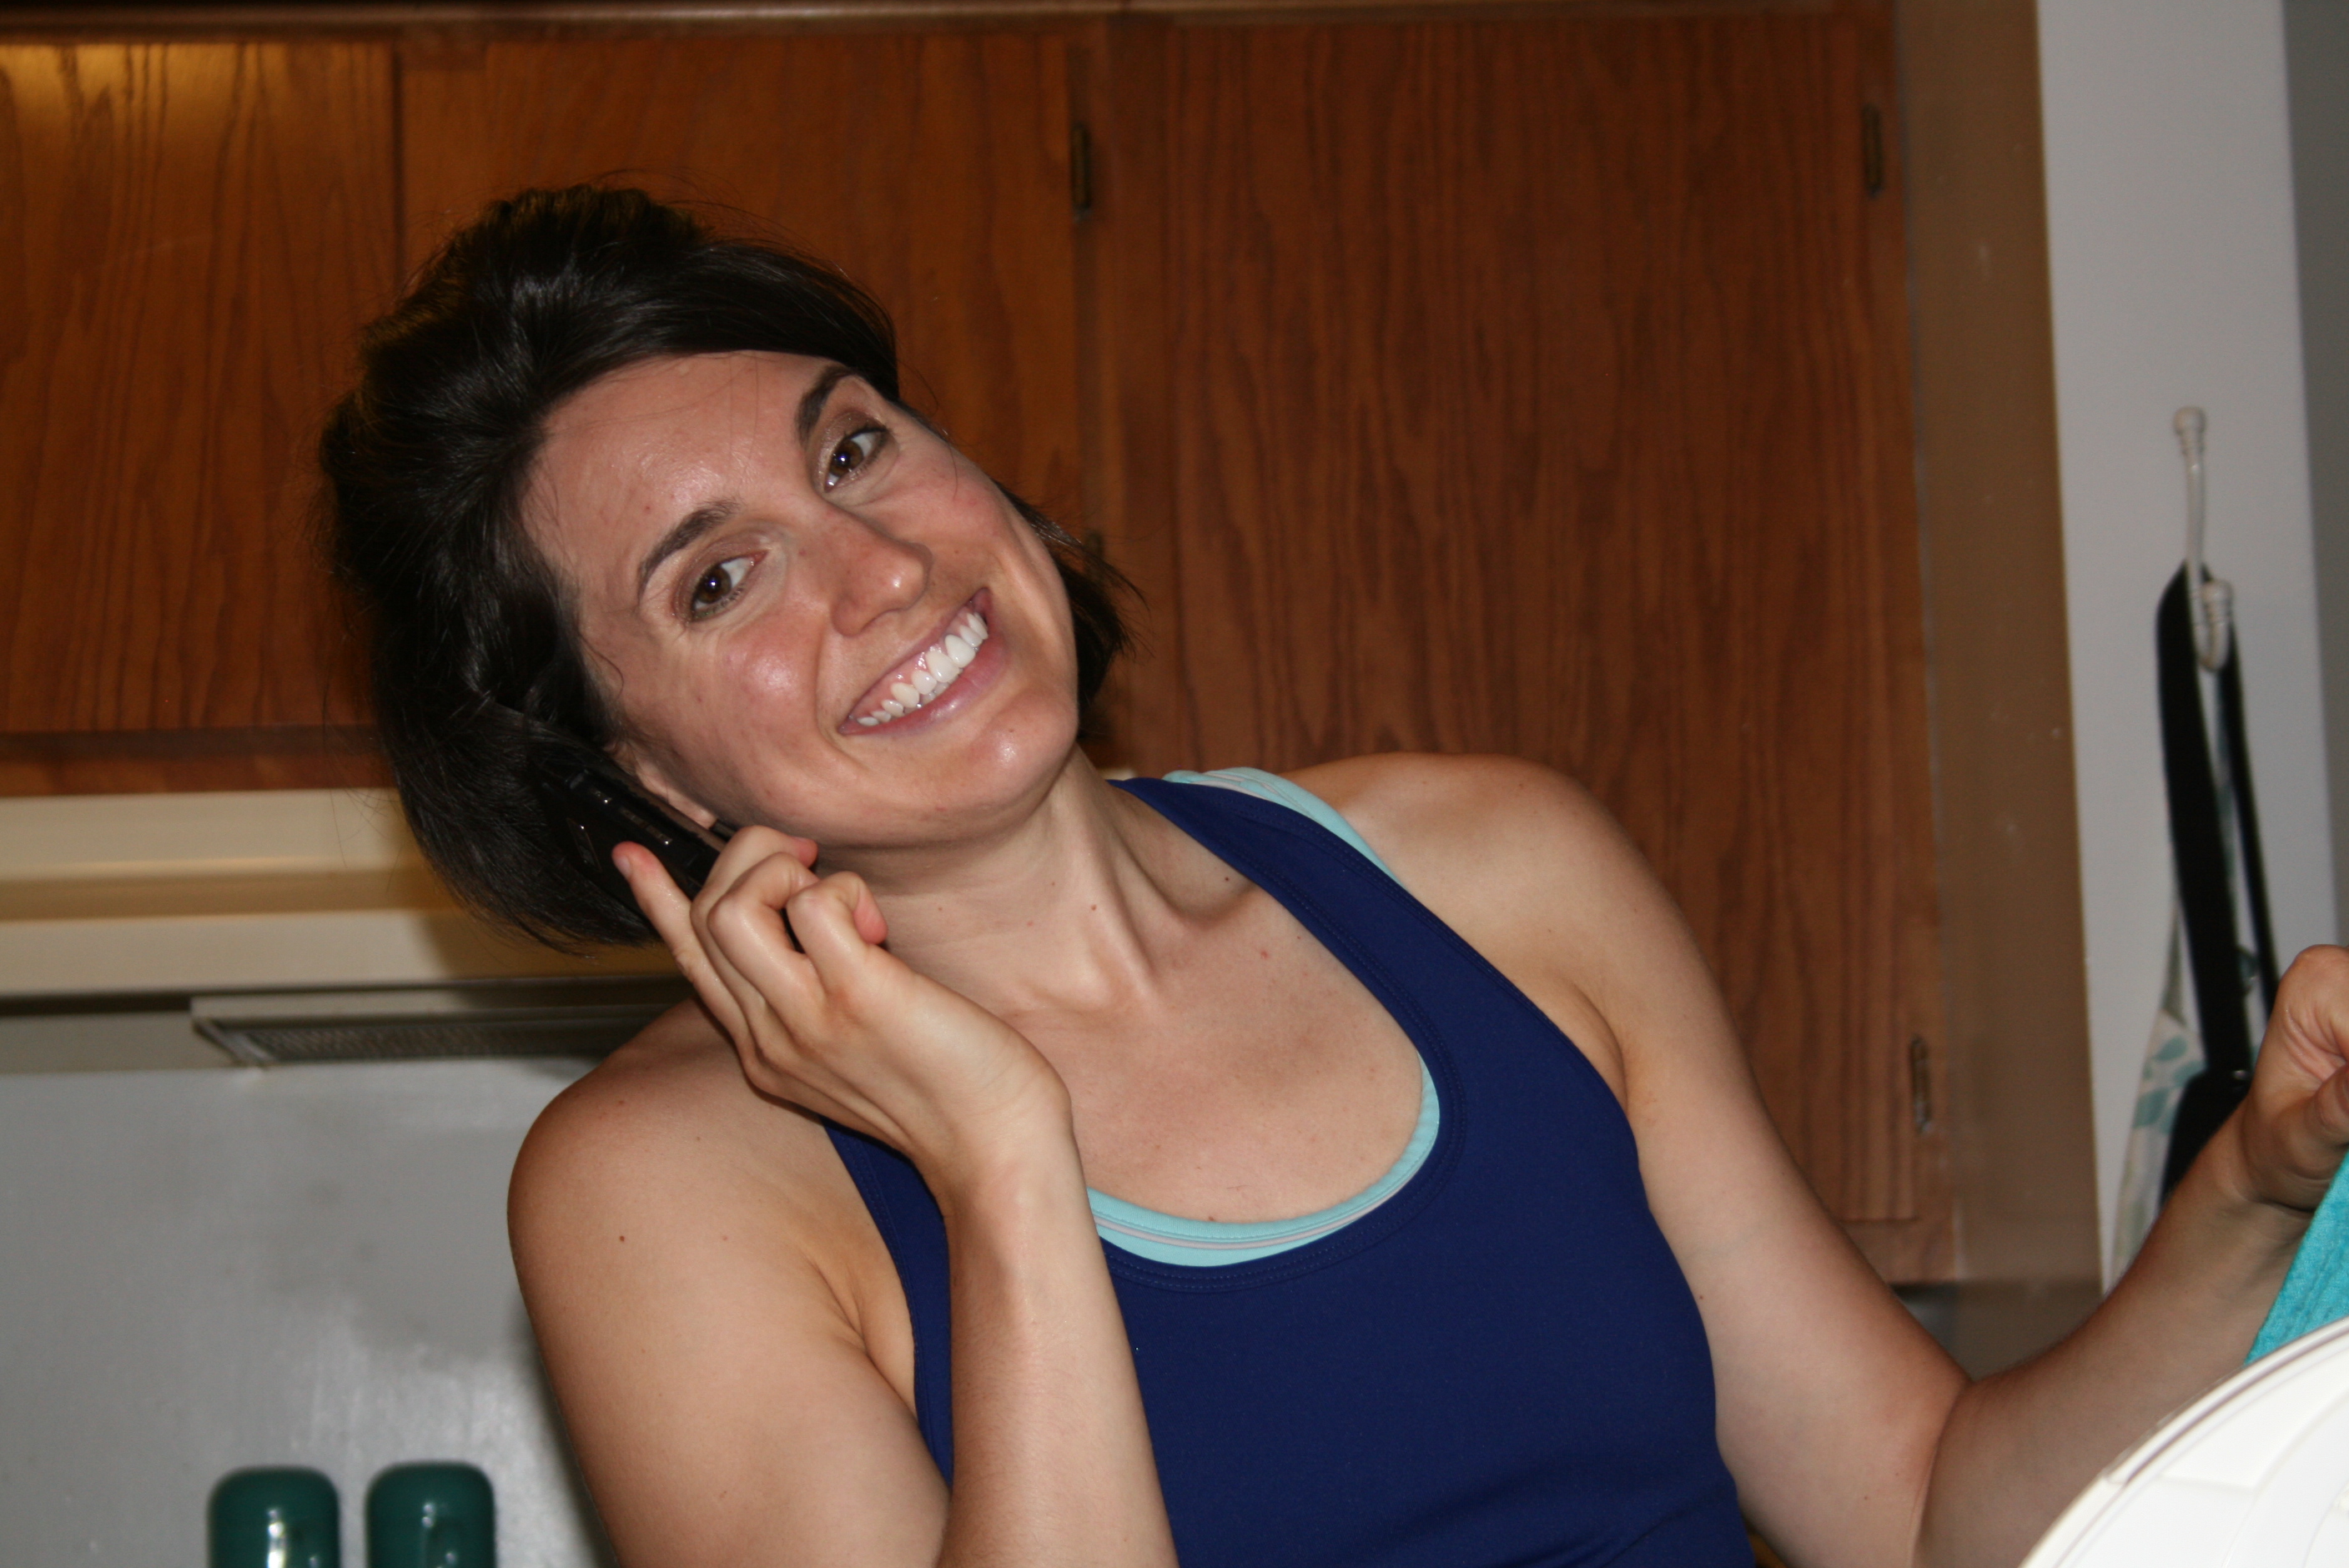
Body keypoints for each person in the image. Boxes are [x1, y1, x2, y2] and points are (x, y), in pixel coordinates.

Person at [322, 185, 2349, 1568]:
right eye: (720, 579)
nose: (880, 567)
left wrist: (2252, 1188)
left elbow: (1920, 1513)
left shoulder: (1499, 872)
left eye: (852, 450)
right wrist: (1003, 1160)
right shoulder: (666, 1191)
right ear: (624, 773)